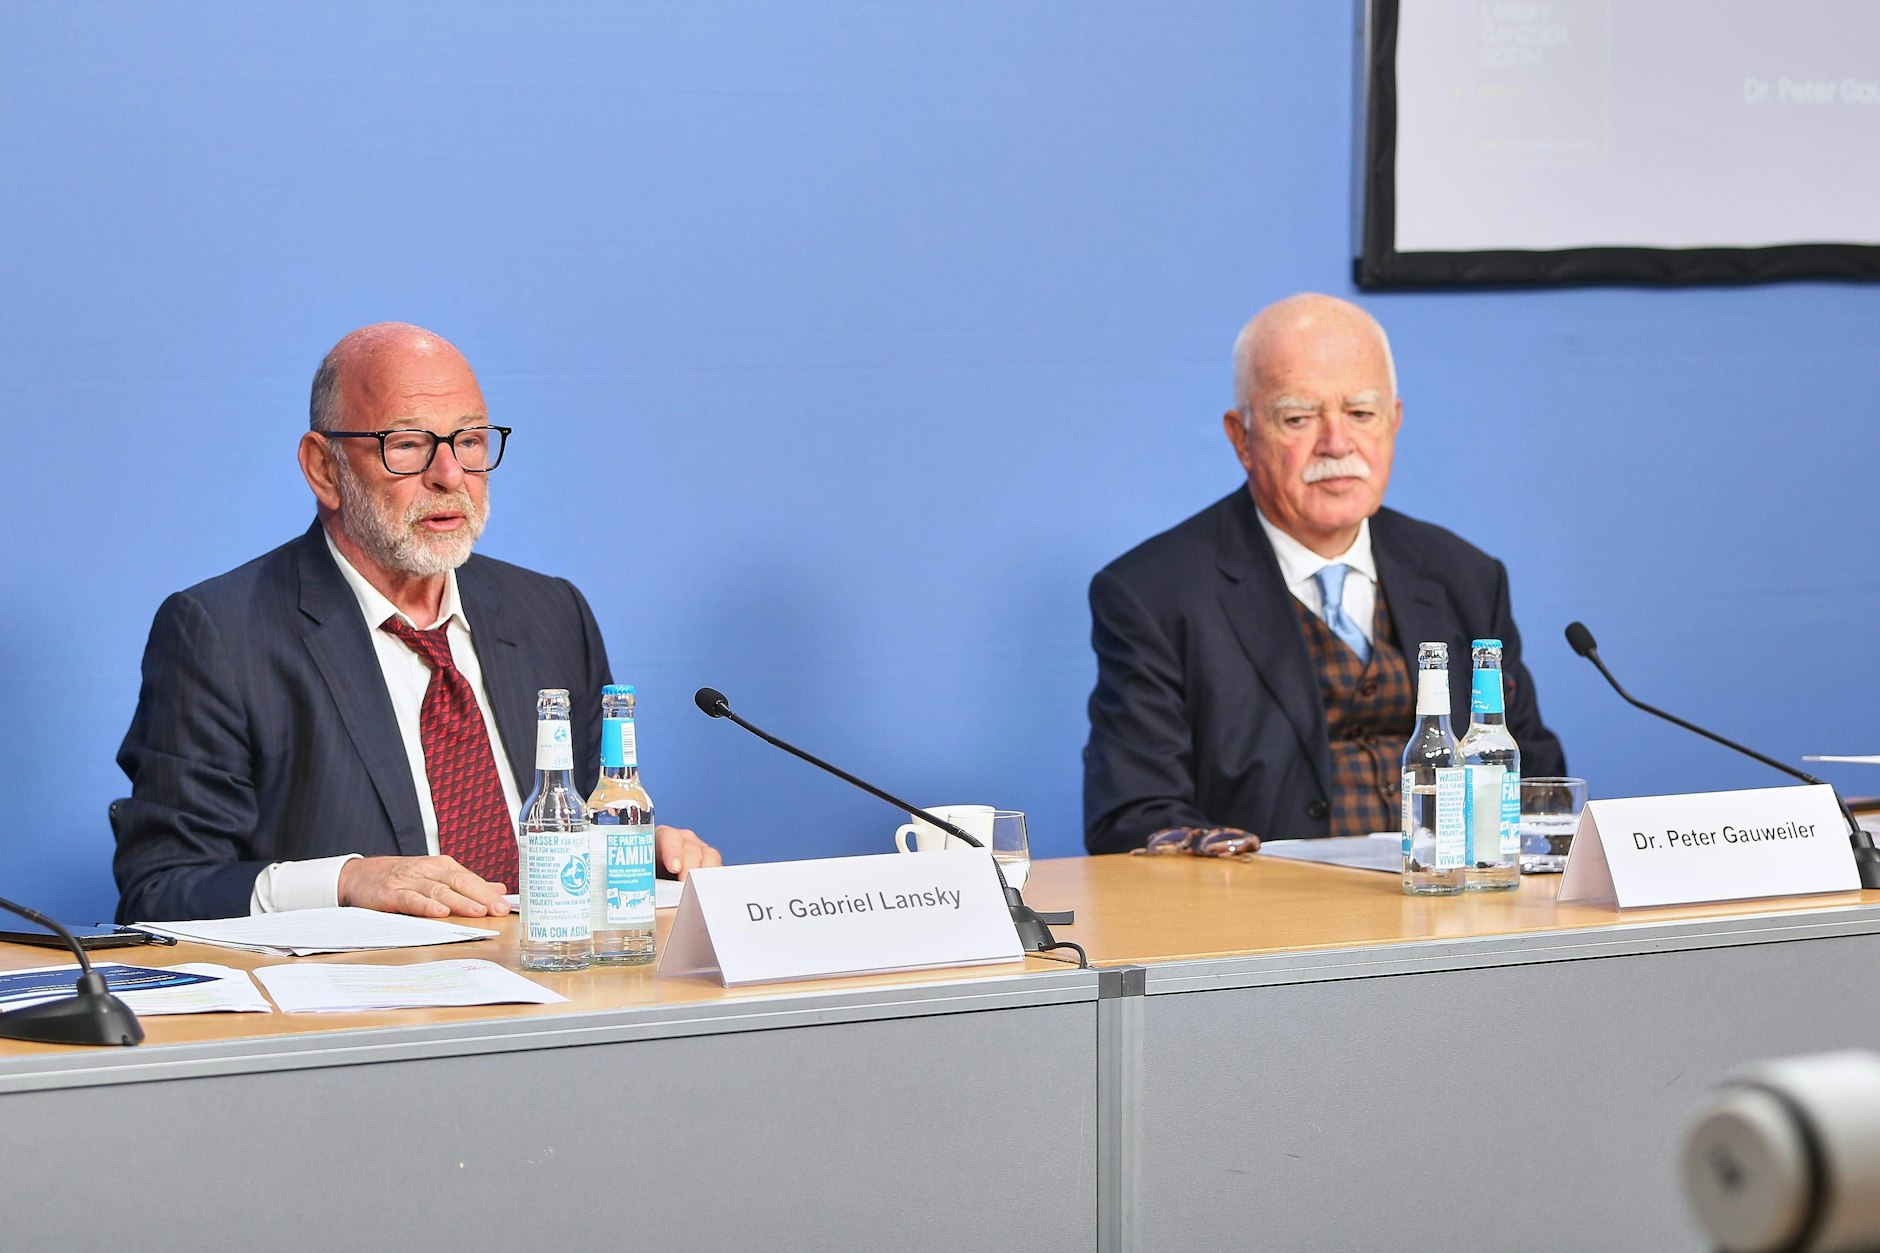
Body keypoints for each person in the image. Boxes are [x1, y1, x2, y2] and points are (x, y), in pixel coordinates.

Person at [115, 323, 719, 921]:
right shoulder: (222, 633)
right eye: (407, 445)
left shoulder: (552, 613)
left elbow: (573, 826)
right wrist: (347, 880)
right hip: (356, 1005)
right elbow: (163, 889)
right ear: (324, 468)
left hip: (549, 987)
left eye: (471, 441)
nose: (450, 475)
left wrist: (634, 857)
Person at [1083, 294, 1565, 854]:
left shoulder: (1466, 577)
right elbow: (1135, 816)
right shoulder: (1153, 594)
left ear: (1394, 422)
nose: (1337, 444)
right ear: (1242, 437)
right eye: (1299, 418)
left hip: (1450, 908)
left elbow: (1533, 783)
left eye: (1361, 414)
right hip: (1266, 924)